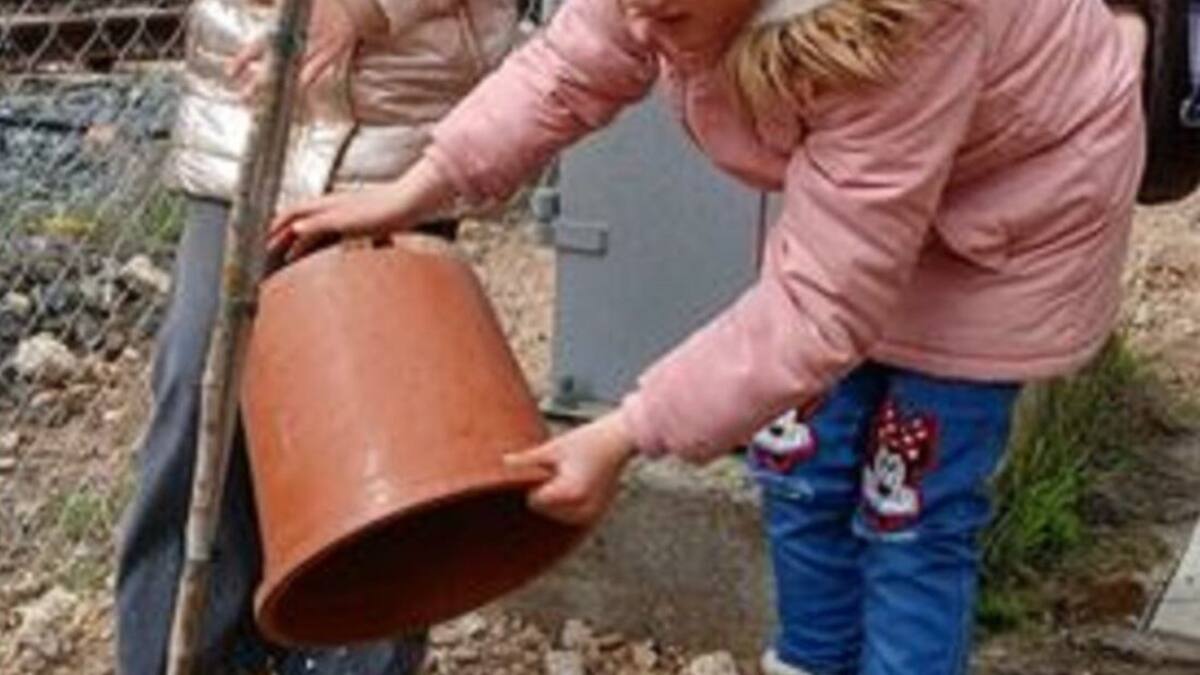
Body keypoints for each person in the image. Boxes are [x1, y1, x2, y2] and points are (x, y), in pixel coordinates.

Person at [268, 0, 1146, 673]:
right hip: (868, 213)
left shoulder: (903, 26)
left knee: (908, 509)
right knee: (801, 465)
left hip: (1009, 216)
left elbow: (818, 307)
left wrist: (625, 430)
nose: (642, 14)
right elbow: (571, 65)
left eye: (670, 6)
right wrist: (426, 183)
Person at [114, 0, 516, 672]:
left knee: (376, 438)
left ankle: (356, 654)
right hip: (246, 101)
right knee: (199, 395)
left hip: (391, 128)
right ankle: (177, 654)